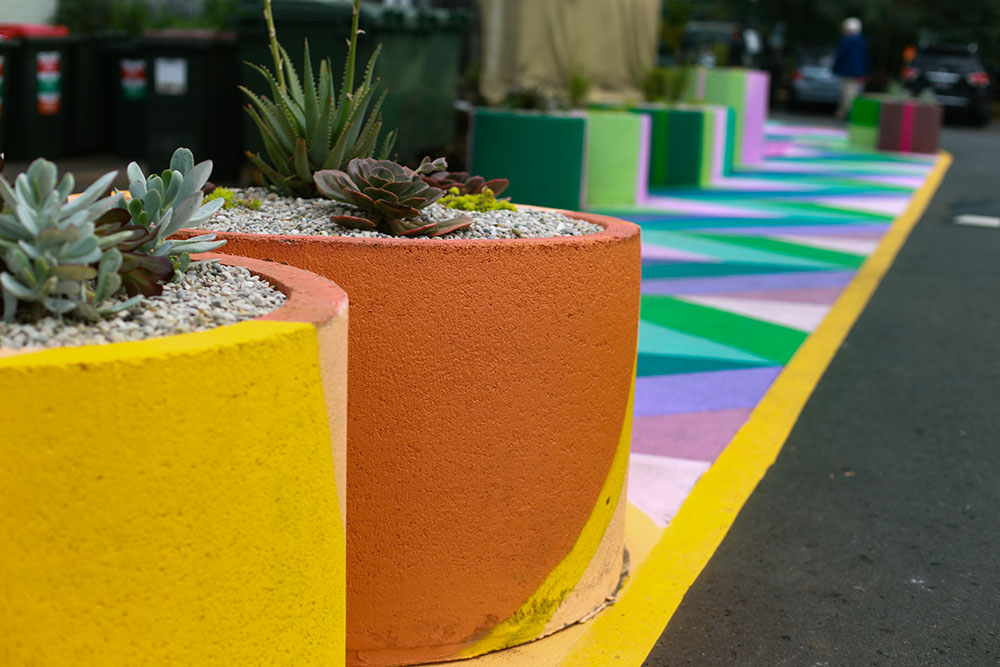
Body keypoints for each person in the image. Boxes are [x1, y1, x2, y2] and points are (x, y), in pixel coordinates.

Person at [832, 17, 869, 120]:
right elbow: (865, 57)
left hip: (848, 71)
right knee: (853, 92)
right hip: (858, 72)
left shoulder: (848, 40)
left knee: (847, 93)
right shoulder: (862, 40)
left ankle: (846, 113)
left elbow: (841, 55)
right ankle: (844, 112)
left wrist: (835, 67)